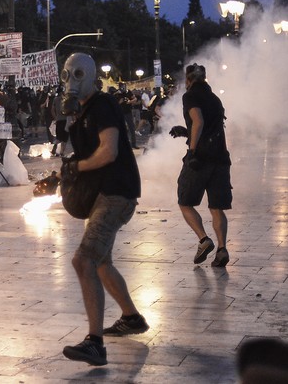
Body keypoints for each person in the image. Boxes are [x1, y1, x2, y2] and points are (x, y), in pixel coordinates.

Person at [54, 53, 149, 366]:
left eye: (76, 74)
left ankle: (95, 343)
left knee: (84, 260)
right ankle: (132, 317)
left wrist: (76, 167)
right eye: (66, 75)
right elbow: (83, 161)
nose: (70, 81)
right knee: (101, 262)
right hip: (102, 194)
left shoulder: (103, 106)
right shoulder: (80, 113)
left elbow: (108, 152)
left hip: (115, 194)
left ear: (91, 76)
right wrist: (59, 176)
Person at [169, 63, 232, 267]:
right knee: (216, 207)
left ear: (188, 80)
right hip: (220, 158)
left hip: (201, 158)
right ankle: (222, 249)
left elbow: (199, 121)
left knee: (185, 202)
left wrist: (192, 151)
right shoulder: (215, 98)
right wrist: (185, 132)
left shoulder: (190, 96)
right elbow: (211, 128)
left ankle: (204, 240)